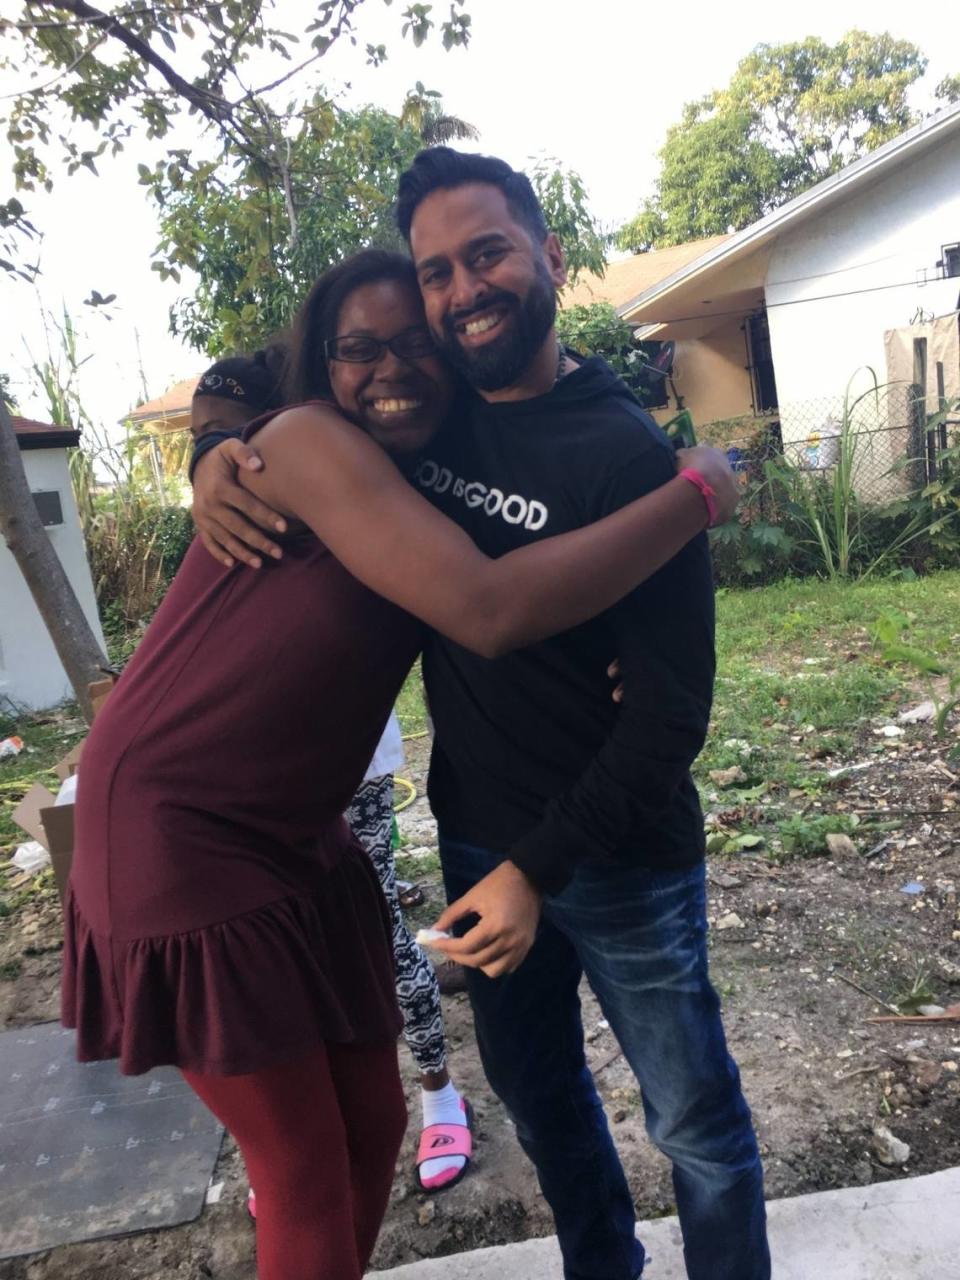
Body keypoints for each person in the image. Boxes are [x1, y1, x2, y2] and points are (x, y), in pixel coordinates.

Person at [67, 247, 738, 1280]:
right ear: (321, 364)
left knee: (374, 1117)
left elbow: (566, 606)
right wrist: (699, 491)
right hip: (180, 824)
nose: (388, 368)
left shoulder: (438, 453)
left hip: (299, 829)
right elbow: (487, 605)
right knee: (297, 1166)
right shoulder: (307, 441)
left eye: (412, 343)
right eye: (356, 349)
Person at [191, 344, 473, 1196]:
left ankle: (439, 1093)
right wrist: (208, 455)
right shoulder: (237, 480)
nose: (224, 445)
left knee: (381, 928)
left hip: (344, 755)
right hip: (249, 767)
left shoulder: (360, 454)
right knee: (273, 957)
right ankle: (292, 1138)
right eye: (208, 434)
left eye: (229, 429)